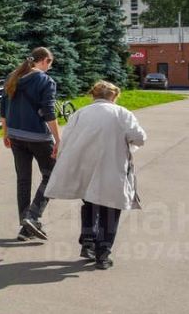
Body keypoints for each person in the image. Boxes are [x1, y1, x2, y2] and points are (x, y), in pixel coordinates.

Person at [45, 81, 147, 270]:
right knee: (111, 208)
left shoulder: (80, 113)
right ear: (114, 96)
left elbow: (66, 138)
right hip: (111, 165)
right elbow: (139, 138)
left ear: (93, 95)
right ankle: (103, 254)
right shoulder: (122, 113)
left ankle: (88, 241)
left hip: (85, 166)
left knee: (90, 203)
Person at [0, 47, 61, 242]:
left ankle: (25, 227)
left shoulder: (13, 77)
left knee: (23, 180)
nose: (50, 67)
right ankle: (32, 216)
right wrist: (58, 140)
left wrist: (5, 133)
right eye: (50, 63)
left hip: (15, 136)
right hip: (38, 137)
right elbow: (49, 112)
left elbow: (3, 108)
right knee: (52, 176)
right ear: (44, 61)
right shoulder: (45, 81)